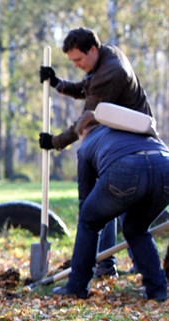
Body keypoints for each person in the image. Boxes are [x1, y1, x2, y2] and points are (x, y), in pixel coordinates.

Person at [38, 27, 155, 279]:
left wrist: (55, 141)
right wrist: (58, 83)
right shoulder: (106, 56)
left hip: (131, 144)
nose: (77, 65)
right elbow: (86, 88)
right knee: (112, 202)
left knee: (113, 202)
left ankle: (108, 265)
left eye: (78, 59)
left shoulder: (110, 73)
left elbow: (86, 121)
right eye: (73, 61)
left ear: (93, 49)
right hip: (118, 139)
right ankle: (109, 265)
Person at [52, 110, 168, 303]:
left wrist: (92, 218)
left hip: (126, 168)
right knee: (137, 229)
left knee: (89, 222)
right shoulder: (129, 129)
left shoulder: (87, 143)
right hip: (164, 164)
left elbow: (85, 196)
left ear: (83, 131)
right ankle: (157, 290)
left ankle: (76, 287)